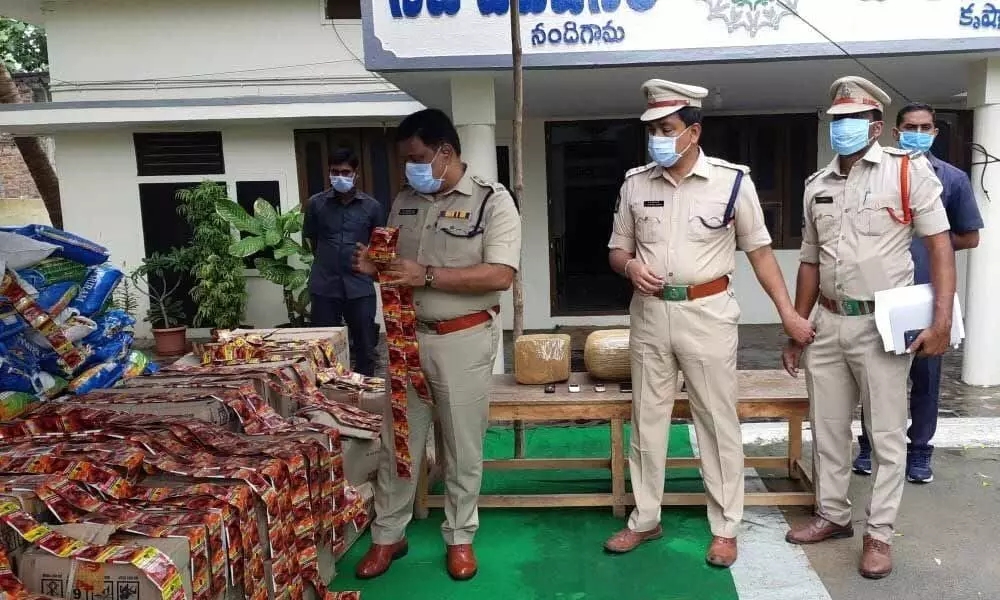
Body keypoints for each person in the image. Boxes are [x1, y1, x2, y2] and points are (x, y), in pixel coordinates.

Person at [603, 79, 815, 568]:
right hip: (651, 316)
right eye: (652, 128)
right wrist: (630, 266)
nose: (657, 136)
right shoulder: (636, 183)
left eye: (667, 128)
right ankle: (645, 518)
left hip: (709, 314)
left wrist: (787, 314)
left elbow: (760, 253)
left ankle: (725, 526)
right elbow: (617, 250)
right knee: (647, 419)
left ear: (692, 133)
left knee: (717, 421)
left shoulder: (732, 181)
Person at [782, 77, 956, 580]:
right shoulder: (817, 185)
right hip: (828, 322)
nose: (841, 130)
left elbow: (941, 246)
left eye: (852, 122)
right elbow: (810, 261)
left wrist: (941, 319)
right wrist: (797, 326)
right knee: (829, 428)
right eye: (835, 121)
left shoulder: (907, 173)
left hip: (883, 324)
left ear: (876, 126)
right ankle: (833, 515)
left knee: (884, 435)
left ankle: (879, 533)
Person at [351, 108, 521, 581]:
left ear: (446, 152)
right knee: (399, 442)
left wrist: (427, 275)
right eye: (407, 160)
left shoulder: (492, 202)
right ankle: (389, 535)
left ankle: (460, 536)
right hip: (406, 337)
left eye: (419, 157)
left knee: (461, 446)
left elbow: (500, 275)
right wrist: (373, 266)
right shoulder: (405, 200)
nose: (411, 168)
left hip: (462, 338)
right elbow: (393, 265)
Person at [852, 103, 983, 483]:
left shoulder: (952, 179)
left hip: (926, 294)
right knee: (875, 376)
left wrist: (931, 240)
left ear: (935, 133)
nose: (918, 133)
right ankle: (868, 445)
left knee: (925, 376)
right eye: (910, 127)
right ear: (895, 132)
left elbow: (970, 236)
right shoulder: (877, 177)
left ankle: (920, 451)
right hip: (883, 294)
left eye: (925, 127)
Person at [303, 147, 384, 377]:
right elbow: (313, 241)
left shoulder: (372, 207)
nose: (340, 176)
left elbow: (378, 247)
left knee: (365, 346)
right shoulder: (315, 204)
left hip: (359, 286)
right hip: (324, 285)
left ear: (355, 173)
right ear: (329, 173)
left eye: (345, 172)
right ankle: (328, 397)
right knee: (322, 347)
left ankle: (366, 398)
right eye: (335, 171)